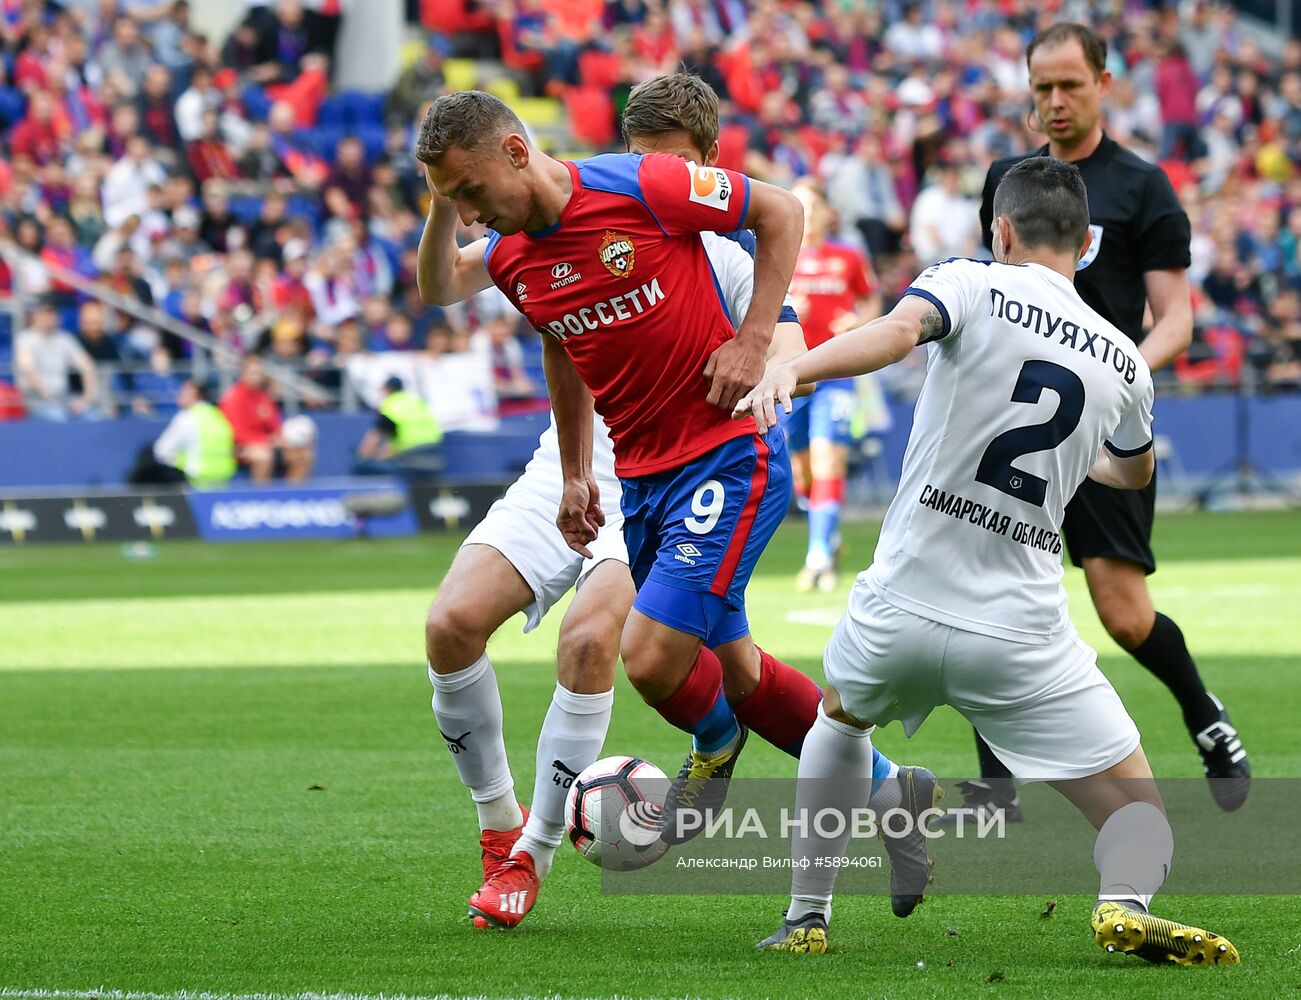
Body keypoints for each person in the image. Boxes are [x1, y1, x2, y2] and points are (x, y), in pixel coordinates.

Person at [415, 77, 932, 932]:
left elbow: (785, 252)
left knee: (642, 655)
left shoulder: (678, 217)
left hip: (724, 461)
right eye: (452, 198)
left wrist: (758, 345)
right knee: (735, 668)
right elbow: (559, 337)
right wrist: (578, 469)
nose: (468, 213)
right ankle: (889, 795)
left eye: (469, 193)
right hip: (640, 475)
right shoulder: (515, 251)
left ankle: (703, 752)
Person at [740, 157, 1239, 966]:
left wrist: (792, 366)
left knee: (837, 720)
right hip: (1019, 638)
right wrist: (1082, 464)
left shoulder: (967, 282)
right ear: (1086, 246)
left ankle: (805, 917)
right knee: (1140, 810)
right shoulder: (1121, 361)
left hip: (901, 604)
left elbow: (897, 334)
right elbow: (1134, 470)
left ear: (999, 231)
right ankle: (1121, 902)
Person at [956, 22, 1249, 825]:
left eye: (1069, 86)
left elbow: (1176, 318)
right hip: (1021, 424)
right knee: (982, 588)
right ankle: (996, 786)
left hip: (1102, 427)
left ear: (1104, 85)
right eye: (1040, 87)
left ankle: (1203, 714)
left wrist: (1119, 386)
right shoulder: (1006, 180)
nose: (1053, 101)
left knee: (1121, 613)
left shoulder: (1141, 187)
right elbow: (991, 291)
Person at [783, 179, 881, 592]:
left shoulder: (848, 256)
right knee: (802, 472)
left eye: (813, 206)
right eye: (799, 206)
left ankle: (819, 555)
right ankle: (827, 534)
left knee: (828, 462)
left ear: (826, 213)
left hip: (836, 374)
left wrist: (859, 323)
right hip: (791, 377)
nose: (808, 215)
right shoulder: (779, 257)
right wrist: (786, 303)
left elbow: (872, 299)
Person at [219, 352, 315, 482]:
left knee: (303, 454)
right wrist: (266, 440)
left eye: (259, 372)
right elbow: (237, 433)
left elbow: (275, 425)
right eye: (253, 372)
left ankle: (292, 497)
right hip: (241, 448)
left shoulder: (264, 397)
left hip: (267, 443)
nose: (257, 376)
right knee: (264, 456)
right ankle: (261, 497)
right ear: (243, 373)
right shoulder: (232, 398)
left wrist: (281, 439)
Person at [128, 379, 236, 488]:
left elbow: (161, 451)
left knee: (146, 460)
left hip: (195, 478)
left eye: (184, 391)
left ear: (196, 395)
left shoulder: (187, 417)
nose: (179, 394)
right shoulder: (218, 415)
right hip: (223, 478)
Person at [14, 298, 100, 421]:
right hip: (36, 402)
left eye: (51, 314)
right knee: (58, 418)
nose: (47, 318)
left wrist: (86, 398)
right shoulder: (25, 339)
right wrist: (49, 397)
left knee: (94, 417)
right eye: (44, 314)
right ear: (35, 316)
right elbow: (28, 370)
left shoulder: (65, 339)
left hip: (65, 398)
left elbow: (87, 365)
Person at [353, 376, 444, 478]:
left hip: (411, 458)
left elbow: (374, 439)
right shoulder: (416, 401)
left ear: (389, 389)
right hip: (436, 455)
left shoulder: (390, 405)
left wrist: (362, 457)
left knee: (362, 466)